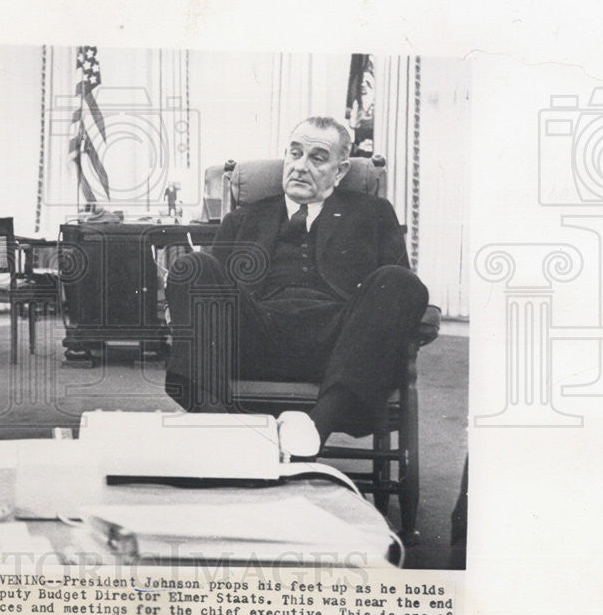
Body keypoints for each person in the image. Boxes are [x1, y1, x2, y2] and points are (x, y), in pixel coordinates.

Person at [164, 115, 428, 455]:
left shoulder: (373, 213)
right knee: (193, 267)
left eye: (317, 158)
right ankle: (222, 425)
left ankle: (314, 430)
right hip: (255, 337)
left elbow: (398, 295)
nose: (300, 167)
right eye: (295, 153)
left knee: (399, 281)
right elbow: (211, 297)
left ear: (341, 170)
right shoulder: (244, 218)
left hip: (339, 344)